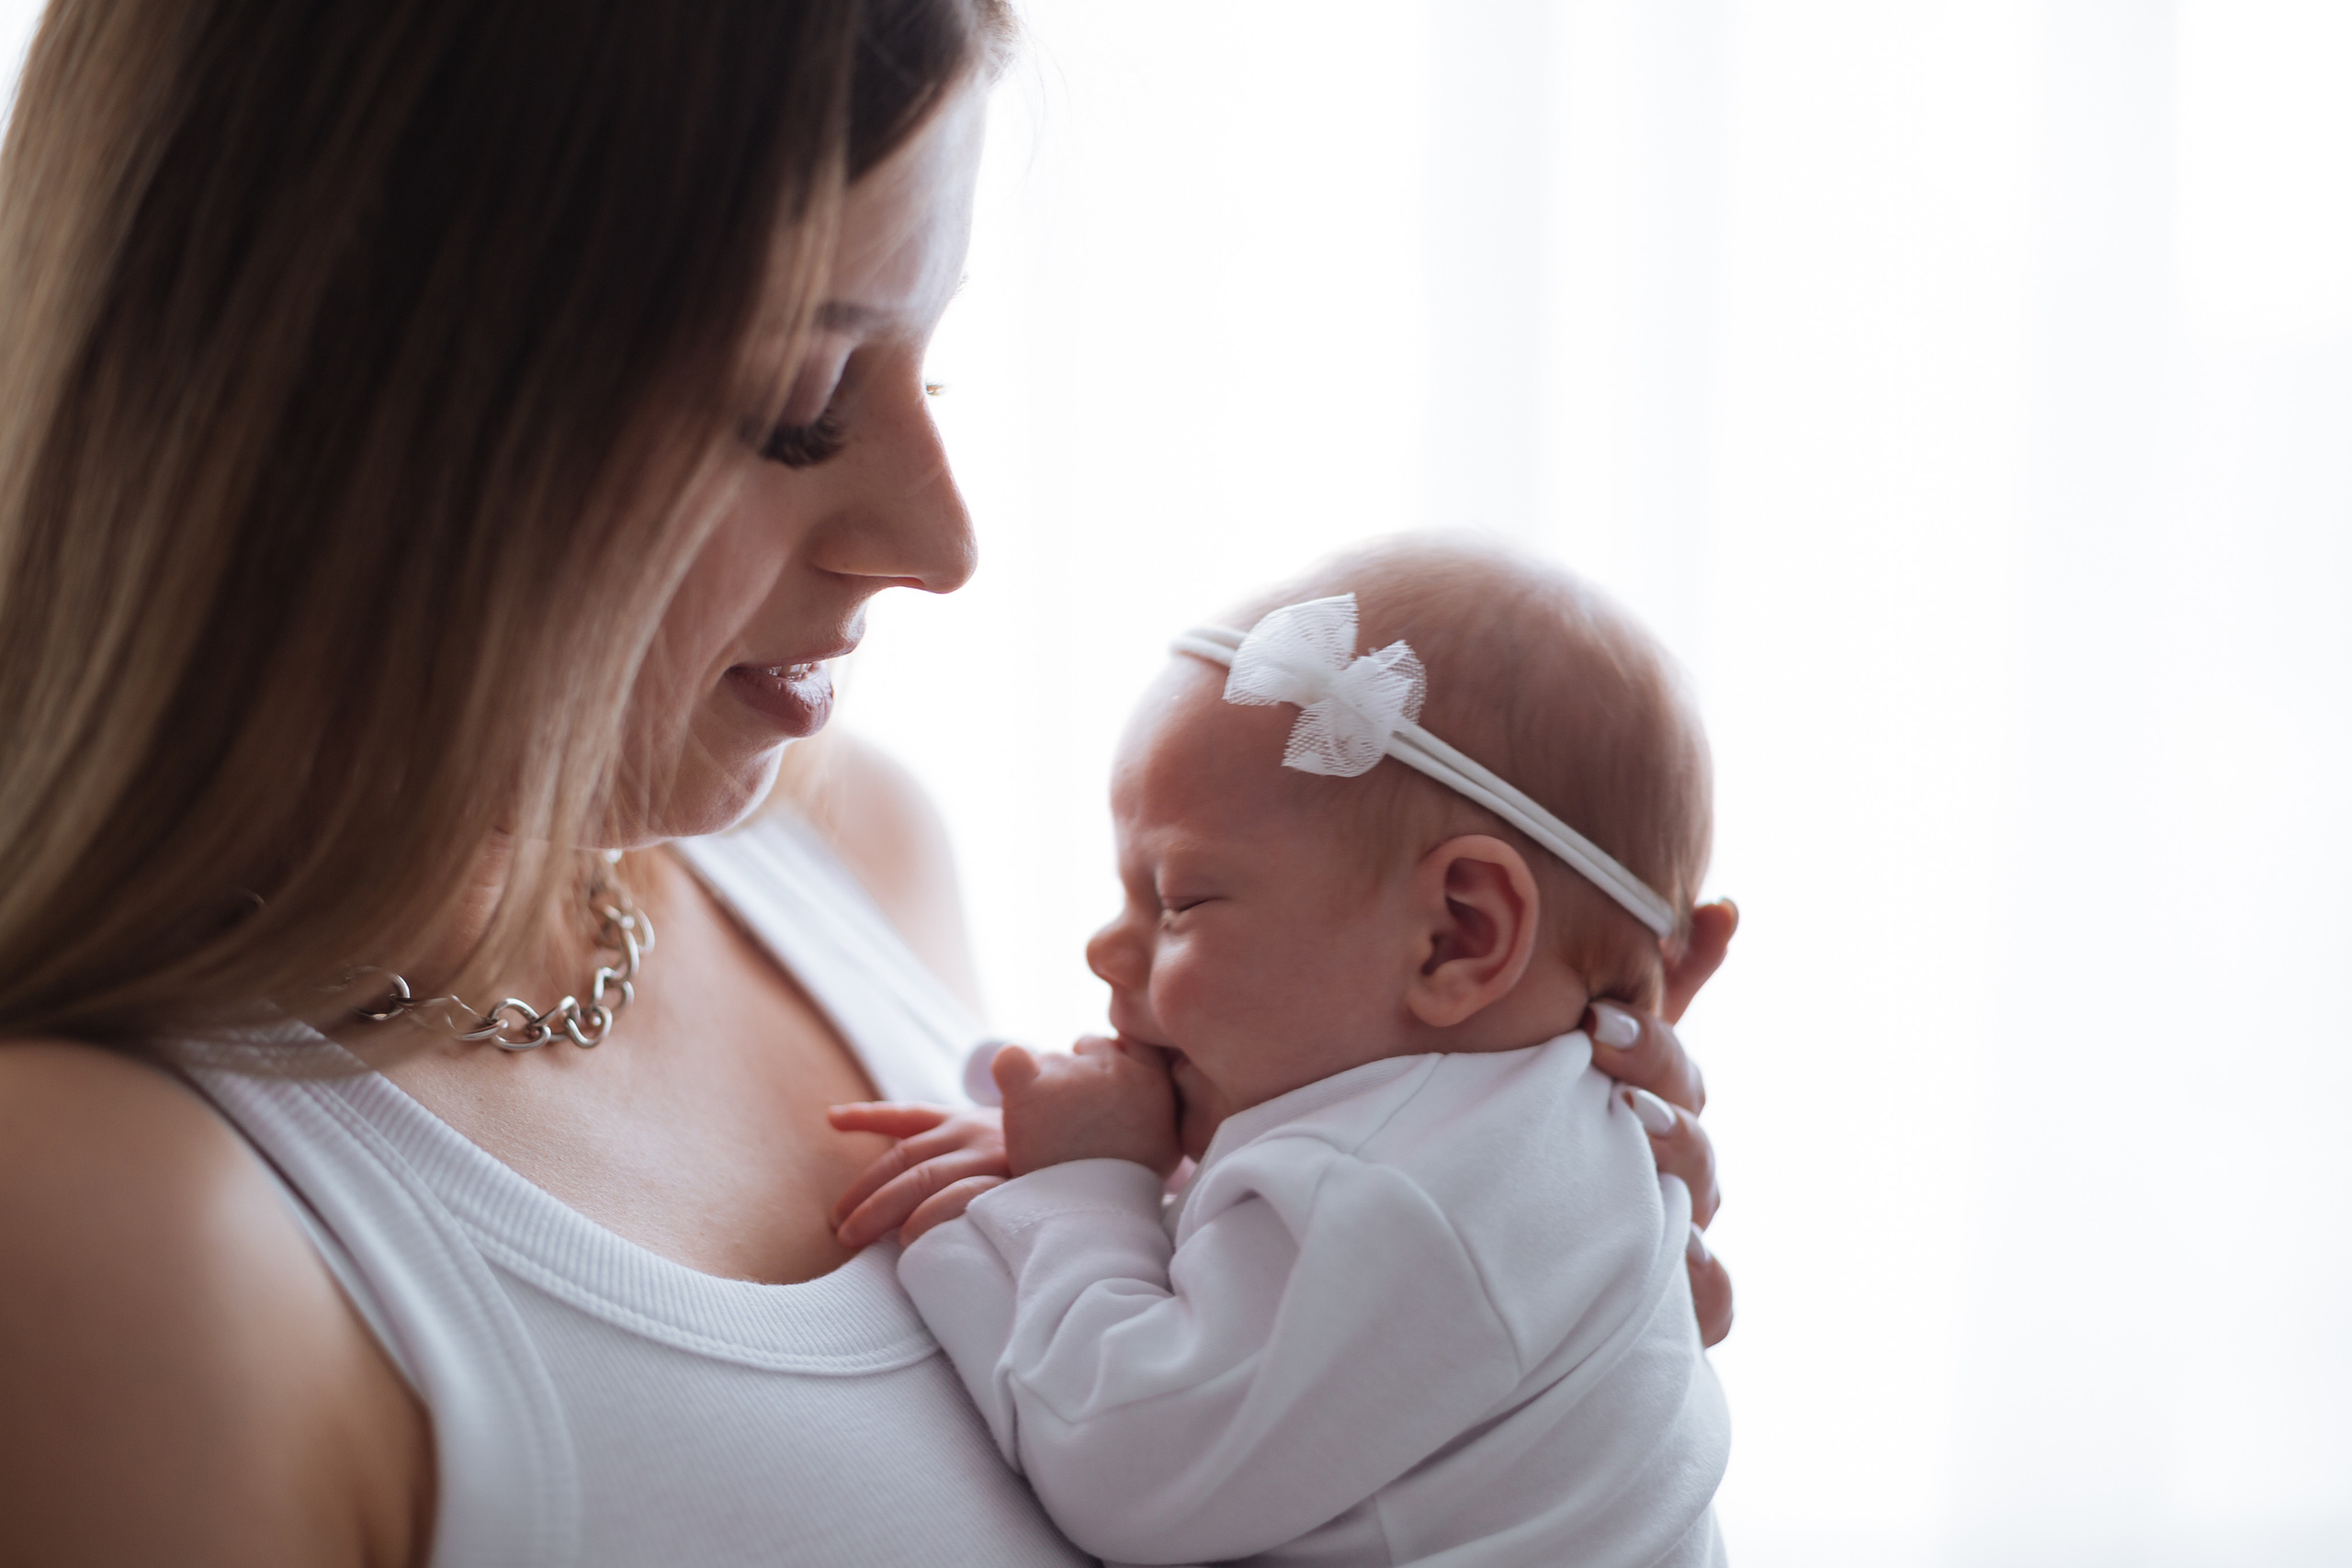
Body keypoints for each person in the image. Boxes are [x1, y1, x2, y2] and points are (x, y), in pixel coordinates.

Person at [0, 5, 1734, 1564]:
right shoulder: (107, 1229)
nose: (944, 539)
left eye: (933, 364)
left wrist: (1488, 1333)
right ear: (348, 397)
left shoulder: (845, 842)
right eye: (805, 401)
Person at [831, 538, 1726, 1566]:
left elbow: (1126, 1464)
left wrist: (1077, 1190)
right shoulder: (1502, 1157)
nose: (1106, 950)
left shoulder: (1398, 1200)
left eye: (1178, 899)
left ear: (1456, 935)